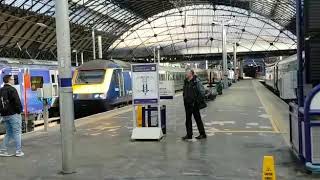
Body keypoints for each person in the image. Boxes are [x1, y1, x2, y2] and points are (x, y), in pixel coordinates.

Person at [0, 75, 24, 157]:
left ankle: (3, 150)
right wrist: (19, 111)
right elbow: (17, 102)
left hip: (5, 115)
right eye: (13, 79)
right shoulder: (12, 89)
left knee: (9, 133)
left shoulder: (1, 90)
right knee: (17, 132)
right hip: (13, 114)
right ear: (9, 80)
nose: (14, 80)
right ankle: (18, 151)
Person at [182, 69, 207, 140]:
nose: (186, 74)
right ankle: (189, 134)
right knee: (188, 120)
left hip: (194, 104)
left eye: (187, 73)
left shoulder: (196, 81)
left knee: (198, 119)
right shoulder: (186, 81)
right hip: (187, 104)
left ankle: (202, 134)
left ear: (191, 74)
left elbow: (202, 91)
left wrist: (197, 100)